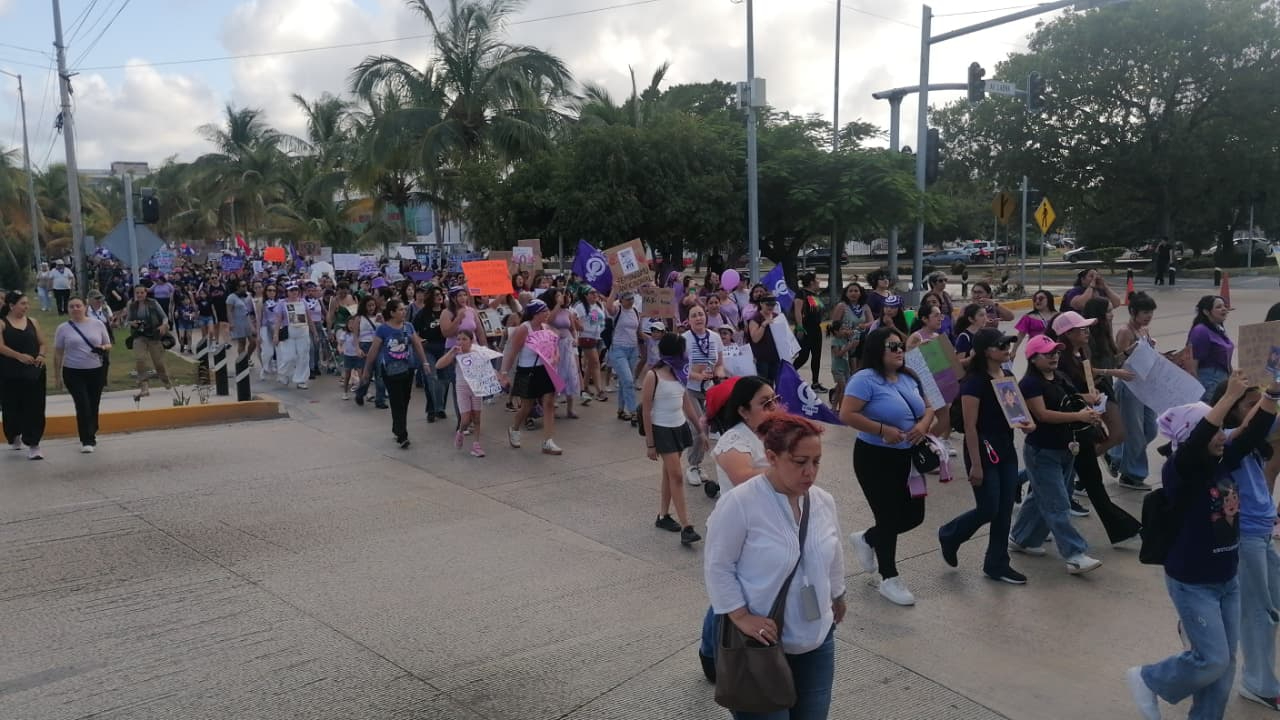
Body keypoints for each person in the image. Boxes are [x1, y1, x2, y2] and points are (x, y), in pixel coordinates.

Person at [1127, 372, 1276, 720]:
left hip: (1227, 580)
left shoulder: (1224, 460)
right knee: (1211, 660)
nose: (1223, 437)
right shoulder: (1180, 471)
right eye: (1215, 432)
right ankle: (1149, 679)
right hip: (1194, 583)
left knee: (1223, 671)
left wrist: (1274, 390)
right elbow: (1198, 442)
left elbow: (1254, 429)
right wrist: (1227, 399)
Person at [704, 413, 845, 719]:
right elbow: (718, 565)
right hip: (760, 644)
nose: (810, 472)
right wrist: (740, 615)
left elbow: (834, 551)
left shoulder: (822, 501)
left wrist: (837, 593)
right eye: (799, 461)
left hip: (816, 638)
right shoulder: (740, 503)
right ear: (771, 457)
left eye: (817, 461)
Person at [840, 327, 934, 606]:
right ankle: (889, 577)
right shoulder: (864, 379)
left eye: (901, 346)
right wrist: (882, 429)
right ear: (877, 350)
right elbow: (847, 414)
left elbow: (929, 408)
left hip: (910, 458)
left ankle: (867, 538)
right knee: (888, 516)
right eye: (892, 347)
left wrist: (922, 425)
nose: (899, 351)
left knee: (915, 515)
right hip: (875, 457)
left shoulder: (909, 376)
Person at [939, 328, 1035, 584]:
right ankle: (950, 534)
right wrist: (976, 466)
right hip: (982, 449)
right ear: (985, 351)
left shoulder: (1007, 375)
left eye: (1007, 344)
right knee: (989, 508)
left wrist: (1027, 423)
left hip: (1005, 447)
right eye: (1000, 345)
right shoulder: (974, 382)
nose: (1006, 349)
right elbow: (970, 427)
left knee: (1004, 510)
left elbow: (1016, 411)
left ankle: (997, 563)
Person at [1009, 335, 1105, 574]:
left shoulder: (1060, 377)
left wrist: (1089, 410)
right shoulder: (1030, 384)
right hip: (1043, 450)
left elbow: (1072, 401)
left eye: (1056, 352)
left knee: (1042, 498)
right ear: (1033, 358)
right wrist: (1079, 417)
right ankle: (1074, 554)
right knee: (1058, 503)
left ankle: (1020, 538)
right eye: (1047, 353)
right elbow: (1042, 415)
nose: (1054, 356)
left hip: (1066, 447)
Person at [1048, 311, 1143, 547]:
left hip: (1082, 427)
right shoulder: (1057, 359)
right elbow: (1053, 394)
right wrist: (1084, 396)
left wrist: (1095, 394)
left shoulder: (1080, 353)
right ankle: (1127, 529)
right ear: (1067, 334)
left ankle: (1125, 530)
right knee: (1073, 483)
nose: (1087, 332)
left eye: (1087, 328)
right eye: (1081, 329)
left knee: (1078, 481)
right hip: (1066, 431)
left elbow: (1087, 378)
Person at [640, 332, 705, 547]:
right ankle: (687, 526)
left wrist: (699, 429)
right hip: (662, 430)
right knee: (676, 476)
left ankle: (663, 515)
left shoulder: (679, 373)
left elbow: (686, 402)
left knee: (669, 474)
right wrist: (650, 443)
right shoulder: (653, 376)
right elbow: (646, 411)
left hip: (679, 427)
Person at [1108, 291, 1160, 491]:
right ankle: (1132, 475)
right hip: (1129, 387)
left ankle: (1116, 454)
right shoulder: (1125, 332)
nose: (1148, 316)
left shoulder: (1144, 330)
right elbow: (1118, 361)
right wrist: (1131, 351)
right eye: (1145, 312)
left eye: (1151, 313)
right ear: (1132, 311)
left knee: (1151, 429)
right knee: (1135, 432)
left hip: (1144, 386)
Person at [361, 299, 429, 449]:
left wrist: (424, 363)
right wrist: (367, 369)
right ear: (392, 313)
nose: (403, 312)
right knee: (396, 400)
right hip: (390, 370)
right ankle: (402, 434)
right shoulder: (383, 330)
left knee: (405, 399)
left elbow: (417, 345)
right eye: (400, 310)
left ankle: (397, 427)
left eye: (404, 309)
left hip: (408, 368)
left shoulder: (409, 326)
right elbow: (373, 350)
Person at [499, 299, 563, 455]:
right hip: (527, 371)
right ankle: (514, 429)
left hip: (545, 370)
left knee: (548, 403)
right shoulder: (524, 329)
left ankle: (548, 441)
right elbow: (512, 352)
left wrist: (556, 356)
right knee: (527, 407)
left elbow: (554, 347)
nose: (548, 314)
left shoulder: (546, 328)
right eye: (544, 311)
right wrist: (504, 373)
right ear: (535, 314)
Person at [52, 297, 112, 453]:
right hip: (73, 371)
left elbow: (108, 343)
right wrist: (57, 376)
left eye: (78, 306)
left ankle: (92, 428)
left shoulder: (97, 324)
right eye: (71, 306)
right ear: (68, 309)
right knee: (82, 404)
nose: (75, 309)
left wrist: (103, 347)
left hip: (96, 370)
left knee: (93, 403)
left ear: (85, 307)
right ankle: (87, 439)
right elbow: (58, 353)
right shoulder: (63, 328)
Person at [0, 291, 48, 459]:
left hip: (33, 372)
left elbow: (42, 343)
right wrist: (19, 356)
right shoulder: (2, 323)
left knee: (35, 406)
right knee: (12, 407)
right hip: (10, 373)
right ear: (11, 305)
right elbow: (1, 346)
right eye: (22, 304)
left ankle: (34, 443)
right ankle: (14, 434)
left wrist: (41, 355)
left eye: (27, 303)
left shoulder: (33, 322)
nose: (26, 307)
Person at [682, 304, 725, 487]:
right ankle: (692, 466)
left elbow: (720, 363)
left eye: (701, 314)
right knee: (698, 428)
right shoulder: (683, 339)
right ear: (689, 320)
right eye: (694, 315)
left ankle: (697, 464)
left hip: (709, 390)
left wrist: (720, 374)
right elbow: (680, 368)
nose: (698, 318)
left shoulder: (715, 337)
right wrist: (697, 375)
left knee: (705, 429)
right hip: (690, 389)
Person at [435, 329, 490, 457]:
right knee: (465, 419)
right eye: (458, 339)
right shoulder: (456, 354)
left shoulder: (477, 352)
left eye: (464, 339)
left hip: (476, 388)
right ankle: (460, 432)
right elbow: (438, 365)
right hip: (462, 388)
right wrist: (451, 352)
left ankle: (476, 445)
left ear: (471, 341)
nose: (461, 342)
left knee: (477, 418)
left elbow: (488, 369)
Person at [124, 285, 172, 398]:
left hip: (153, 336)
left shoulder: (153, 303)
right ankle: (144, 387)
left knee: (158, 363)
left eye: (142, 292)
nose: (139, 295)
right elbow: (126, 322)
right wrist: (132, 323)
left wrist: (163, 325)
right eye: (137, 293)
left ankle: (165, 379)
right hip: (139, 336)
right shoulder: (132, 305)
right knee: (140, 360)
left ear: (146, 293)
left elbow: (165, 317)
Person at [413, 286, 451, 421]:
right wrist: (419, 341)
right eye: (436, 295)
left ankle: (440, 408)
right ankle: (431, 409)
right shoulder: (422, 313)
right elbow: (413, 332)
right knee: (431, 379)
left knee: (445, 380)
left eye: (440, 294)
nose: (439, 297)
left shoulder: (447, 312)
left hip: (445, 348)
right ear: (430, 297)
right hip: (428, 348)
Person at [1186, 295, 1234, 403]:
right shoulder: (1200, 331)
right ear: (1206, 312)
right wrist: (1196, 388)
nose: (1224, 309)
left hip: (1222, 380)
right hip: (1209, 382)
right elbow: (1192, 363)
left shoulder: (1218, 328)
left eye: (1224, 306)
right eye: (1218, 307)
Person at [272, 284, 315, 390]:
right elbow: (278, 321)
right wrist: (276, 334)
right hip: (289, 332)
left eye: (296, 290)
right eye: (291, 290)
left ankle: (301, 380)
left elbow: (309, 318)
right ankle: (283, 374)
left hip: (303, 332)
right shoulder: (282, 304)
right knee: (289, 357)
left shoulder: (303, 302)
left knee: (303, 356)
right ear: (287, 292)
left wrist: (315, 332)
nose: (294, 292)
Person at [792, 273, 828, 392]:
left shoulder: (815, 295)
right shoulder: (801, 294)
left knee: (816, 356)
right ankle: (788, 374)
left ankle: (815, 383)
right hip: (806, 328)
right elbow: (797, 311)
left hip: (816, 328)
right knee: (803, 356)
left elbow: (819, 310)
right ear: (812, 282)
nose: (819, 282)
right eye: (817, 280)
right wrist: (800, 327)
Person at [351, 296, 386, 408]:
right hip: (365, 346)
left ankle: (380, 400)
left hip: (378, 346)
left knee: (380, 373)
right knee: (367, 374)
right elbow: (355, 335)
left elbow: (385, 331)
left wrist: (383, 321)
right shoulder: (359, 318)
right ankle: (360, 393)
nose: (371, 308)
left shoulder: (379, 316)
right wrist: (357, 348)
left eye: (373, 305)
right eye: (369, 305)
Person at [746, 295, 784, 386]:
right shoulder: (755, 318)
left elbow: (784, 337)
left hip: (775, 356)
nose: (770, 307)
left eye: (773, 305)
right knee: (763, 383)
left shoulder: (777, 317)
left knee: (774, 382)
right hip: (761, 358)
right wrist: (763, 325)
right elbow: (755, 339)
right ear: (761, 304)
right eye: (768, 305)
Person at [1013, 290, 1056, 354]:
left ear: (1049, 299)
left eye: (1041, 298)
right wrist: (1013, 351)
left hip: (1053, 349)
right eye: (1035, 299)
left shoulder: (1058, 316)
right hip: (1034, 351)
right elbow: (1020, 335)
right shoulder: (1028, 317)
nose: (1037, 301)